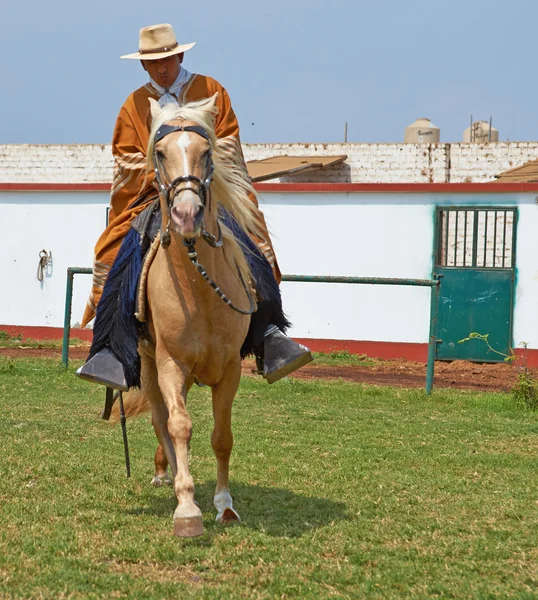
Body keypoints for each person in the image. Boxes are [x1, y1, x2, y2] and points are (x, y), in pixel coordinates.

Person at [77, 23, 312, 390]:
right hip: (152, 196)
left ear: (180, 55)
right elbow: (125, 160)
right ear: (143, 66)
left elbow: (229, 145)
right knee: (112, 254)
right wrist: (163, 174)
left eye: (167, 59)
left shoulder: (211, 91)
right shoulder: (134, 105)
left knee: (254, 244)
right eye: (153, 62)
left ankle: (269, 334)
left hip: (210, 191)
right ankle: (110, 350)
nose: (162, 68)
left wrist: (197, 174)